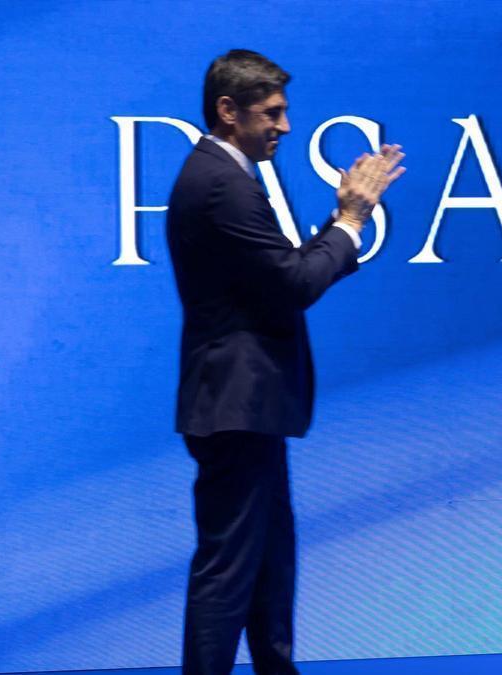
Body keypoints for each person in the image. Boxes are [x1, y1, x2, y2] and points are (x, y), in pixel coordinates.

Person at [166, 49, 405, 675]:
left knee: (270, 562)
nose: (286, 126)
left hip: (247, 406)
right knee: (229, 570)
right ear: (228, 111)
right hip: (235, 406)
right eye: (271, 113)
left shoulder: (222, 176)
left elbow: (281, 275)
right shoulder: (221, 183)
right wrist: (351, 218)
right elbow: (295, 282)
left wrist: (341, 221)